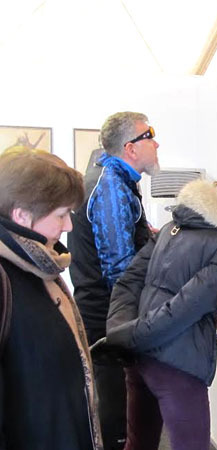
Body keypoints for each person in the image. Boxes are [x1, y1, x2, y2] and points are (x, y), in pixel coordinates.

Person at [106, 169, 217, 450]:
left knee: (139, 444)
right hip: (178, 364)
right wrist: (131, 336)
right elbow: (188, 306)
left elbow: (128, 283)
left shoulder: (171, 228)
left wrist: (123, 333)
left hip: (139, 357)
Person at [68, 111, 160, 450]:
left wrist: (147, 236)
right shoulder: (109, 186)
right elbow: (119, 270)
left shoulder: (114, 179)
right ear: (130, 148)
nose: (156, 143)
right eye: (149, 135)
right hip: (109, 317)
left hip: (107, 315)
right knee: (116, 414)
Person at [0, 148, 102, 449]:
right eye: (61, 214)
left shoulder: (39, 264)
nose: (69, 226)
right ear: (22, 215)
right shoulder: (8, 275)